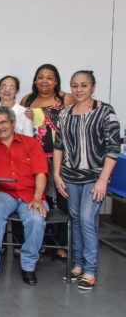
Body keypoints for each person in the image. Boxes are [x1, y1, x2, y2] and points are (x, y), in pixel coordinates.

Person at [53, 71, 121, 290]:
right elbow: (58, 145)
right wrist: (56, 173)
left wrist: (103, 180)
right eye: (74, 85)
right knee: (75, 219)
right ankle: (78, 264)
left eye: (84, 85)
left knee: (86, 219)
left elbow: (113, 148)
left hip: (94, 177)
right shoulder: (64, 113)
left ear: (93, 87)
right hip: (70, 177)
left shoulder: (104, 111)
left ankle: (91, 270)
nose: (79, 89)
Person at [0, 106, 48, 286]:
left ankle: (28, 266)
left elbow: (41, 173)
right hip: (4, 194)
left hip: (30, 193)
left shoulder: (31, 144)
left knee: (36, 220)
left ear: (13, 123)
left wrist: (37, 198)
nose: (0, 127)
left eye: (3, 122)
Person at [20, 64, 74, 259]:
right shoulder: (27, 99)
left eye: (49, 77)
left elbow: (75, 119)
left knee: (61, 199)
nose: (44, 81)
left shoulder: (65, 98)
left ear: (56, 80)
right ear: (35, 80)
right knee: (36, 197)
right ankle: (38, 241)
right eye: (41, 77)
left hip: (60, 157)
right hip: (32, 159)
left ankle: (59, 243)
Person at [0, 75, 33, 141]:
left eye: (11, 87)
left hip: (20, 150)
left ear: (16, 91)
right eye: (4, 87)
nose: (7, 90)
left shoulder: (25, 113)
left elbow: (29, 140)